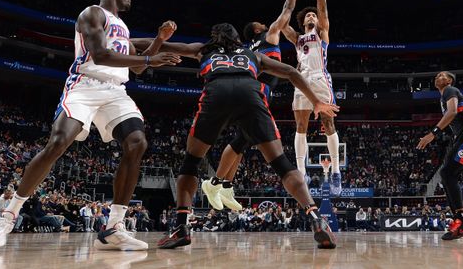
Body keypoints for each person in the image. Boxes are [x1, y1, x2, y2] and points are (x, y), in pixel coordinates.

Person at [0, 0, 181, 249]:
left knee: (137, 142)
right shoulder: (92, 13)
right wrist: (148, 57)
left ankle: (113, 227)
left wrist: (158, 40)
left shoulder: (122, 26)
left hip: (115, 91)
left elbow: (137, 69)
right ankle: (7, 217)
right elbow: (99, 56)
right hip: (85, 85)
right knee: (57, 143)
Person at [145, 23, 339, 250]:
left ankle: (181, 226)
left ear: (214, 37)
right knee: (282, 164)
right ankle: (316, 218)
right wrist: (316, 102)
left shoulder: (203, 49)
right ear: (238, 39)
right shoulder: (253, 54)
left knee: (191, 163)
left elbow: (154, 45)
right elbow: (291, 72)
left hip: (217, 93)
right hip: (250, 94)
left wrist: (152, 39)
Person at [202, 0, 307, 212]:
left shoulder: (249, 48)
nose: (265, 22)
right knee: (241, 140)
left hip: (250, 90)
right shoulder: (269, 36)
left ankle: (226, 184)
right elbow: (287, 10)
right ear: (258, 29)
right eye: (261, 23)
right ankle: (215, 182)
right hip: (257, 92)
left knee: (243, 141)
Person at [283, 0, 343, 195]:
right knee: (301, 126)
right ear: (303, 20)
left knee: (329, 124)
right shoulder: (296, 37)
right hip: (301, 79)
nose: (312, 15)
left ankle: (336, 171)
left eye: (314, 15)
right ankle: (301, 171)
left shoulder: (322, 32)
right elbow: (282, 20)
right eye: (308, 15)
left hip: (320, 78)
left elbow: (322, 4)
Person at [416, 71, 463, 240]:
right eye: (436, 76)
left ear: (449, 80)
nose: (437, 77)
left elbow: (453, 112)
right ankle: (461, 220)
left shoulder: (450, 90)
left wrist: (433, 133)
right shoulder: (443, 97)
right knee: (446, 174)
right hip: (461, 136)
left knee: (448, 173)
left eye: (442, 75)